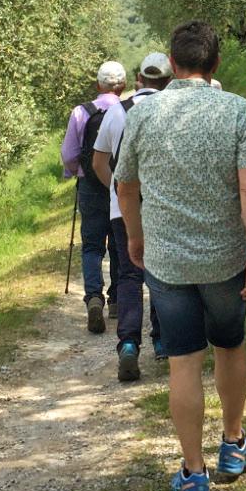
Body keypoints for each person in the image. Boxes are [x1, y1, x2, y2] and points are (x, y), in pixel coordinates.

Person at [114, 21, 246, 491]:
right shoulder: (237, 110)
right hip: (225, 258)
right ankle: (232, 444)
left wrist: (135, 238)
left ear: (171, 65)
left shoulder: (143, 113)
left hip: (168, 259)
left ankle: (193, 472)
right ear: (215, 63)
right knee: (229, 343)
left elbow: (125, 185)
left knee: (183, 360)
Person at [91, 51, 171, 382]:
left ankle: (127, 343)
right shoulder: (170, 110)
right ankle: (164, 341)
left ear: (139, 79)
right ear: (168, 80)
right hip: (161, 205)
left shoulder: (116, 112)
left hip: (120, 209)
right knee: (162, 273)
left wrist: (118, 191)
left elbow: (98, 162)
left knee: (127, 275)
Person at [61, 60, 127, 333]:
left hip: (89, 186)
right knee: (118, 245)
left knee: (91, 246)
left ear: (98, 85)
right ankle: (116, 300)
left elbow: (68, 154)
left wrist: (77, 172)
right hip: (119, 185)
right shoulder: (127, 111)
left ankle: (93, 298)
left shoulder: (81, 112)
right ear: (122, 87)